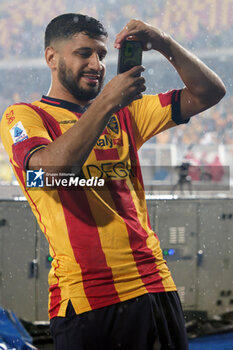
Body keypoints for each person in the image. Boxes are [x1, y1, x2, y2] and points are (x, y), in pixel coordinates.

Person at [0, 13, 225, 350]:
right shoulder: (26, 116)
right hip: (89, 298)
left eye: (102, 55)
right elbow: (49, 172)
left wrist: (164, 43)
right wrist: (107, 102)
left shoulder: (126, 114)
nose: (96, 64)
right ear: (51, 57)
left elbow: (209, 92)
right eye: (83, 53)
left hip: (155, 285)